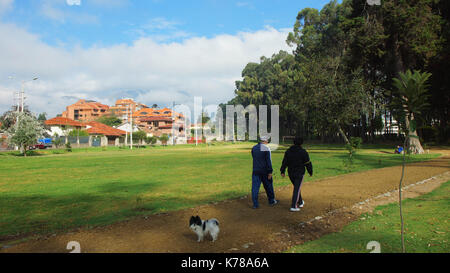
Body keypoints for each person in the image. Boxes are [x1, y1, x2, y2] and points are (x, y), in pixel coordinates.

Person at [280, 137, 313, 212]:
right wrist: (310, 172)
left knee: (297, 188)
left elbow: (284, 162)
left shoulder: (288, 151)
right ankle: (293, 206)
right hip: (299, 173)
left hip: (291, 173)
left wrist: (282, 171)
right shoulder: (303, 152)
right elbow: (308, 163)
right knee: (297, 189)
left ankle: (300, 202)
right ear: (301, 143)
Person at [251, 135, 279, 209]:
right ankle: (271, 200)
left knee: (255, 188)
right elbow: (268, 161)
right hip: (265, 171)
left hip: (255, 170)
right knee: (268, 186)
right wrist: (270, 172)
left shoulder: (254, 148)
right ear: (265, 141)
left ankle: (255, 204)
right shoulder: (266, 148)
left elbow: (253, 157)